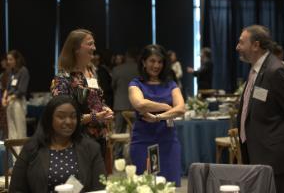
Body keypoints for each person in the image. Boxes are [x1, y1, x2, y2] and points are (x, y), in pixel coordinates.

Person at [236, 25, 284, 193]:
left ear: (256, 45)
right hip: (257, 152)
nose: (237, 47)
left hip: (276, 160)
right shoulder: (256, 69)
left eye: (241, 42)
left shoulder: (276, 70)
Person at [9, 95, 106, 192]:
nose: (68, 121)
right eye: (61, 116)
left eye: (73, 116)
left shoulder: (91, 148)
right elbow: (16, 189)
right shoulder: (32, 148)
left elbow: (100, 188)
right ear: (49, 119)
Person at [50, 29, 114, 160]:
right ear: (76, 48)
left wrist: (105, 109)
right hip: (76, 143)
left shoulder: (92, 72)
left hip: (100, 140)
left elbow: (97, 101)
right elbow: (63, 117)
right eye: (90, 44)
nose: (94, 48)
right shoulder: (63, 78)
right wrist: (94, 117)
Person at [128, 44, 185, 186]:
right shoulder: (136, 84)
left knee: (169, 185)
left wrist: (158, 117)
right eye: (152, 61)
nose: (156, 65)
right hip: (143, 140)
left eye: (160, 62)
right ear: (144, 62)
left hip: (168, 141)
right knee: (145, 185)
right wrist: (166, 107)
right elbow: (140, 104)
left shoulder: (170, 84)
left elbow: (181, 109)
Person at [111, 48, 139, 158]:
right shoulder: (139, 69)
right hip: (135, 105)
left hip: (120, 105)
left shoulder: (117, 69)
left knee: (119, 133)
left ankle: (118, 157)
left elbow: (113, 86)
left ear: (125, 57)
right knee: (136, 133)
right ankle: (135, 156)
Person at [2, 50, 30, 154]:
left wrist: (11, 97)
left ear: (16, 60)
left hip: (18, 102)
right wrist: (4, 97)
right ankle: (14, 159)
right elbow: (7, 88)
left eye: (11, 59)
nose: (8, 62)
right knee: (12, 130)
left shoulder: (23, 71)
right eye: (8, 59)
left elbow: (22, 90)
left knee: (20, 130)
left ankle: (21, 156)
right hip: (10, 102)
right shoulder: (11, 72)